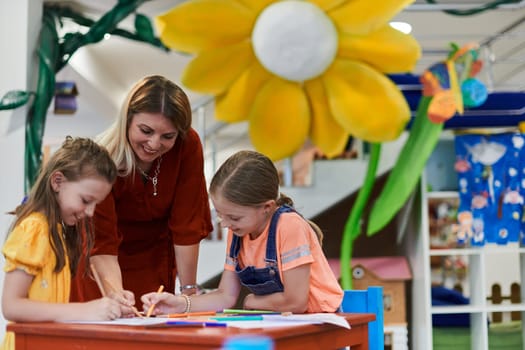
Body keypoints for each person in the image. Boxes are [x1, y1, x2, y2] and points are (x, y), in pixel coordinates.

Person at [70, 75, 213, 308]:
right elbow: (102, 243)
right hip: (102, 269)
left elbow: (187, 225)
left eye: (168, 136)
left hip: (154, 265)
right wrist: (115, 295)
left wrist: (189, 296)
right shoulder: (100, 161)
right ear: (127, 120)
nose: (155, 144)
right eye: (146, 131)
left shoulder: (187, 146)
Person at [141, 150, 343, 315]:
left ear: (266, 207)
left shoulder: (289, 225)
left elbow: (296, 302)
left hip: (321, 322)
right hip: (283, 321)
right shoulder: (238, 232)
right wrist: (179, 304)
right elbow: (225, 296)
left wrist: (252, 300)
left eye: (234, 218)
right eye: (220, 215)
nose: (225, 224)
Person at [1, 137, 123, 350]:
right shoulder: (34, 229)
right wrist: (84, 311)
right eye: (86, 200)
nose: (91, 212)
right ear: (57, 182)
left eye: (96, 204)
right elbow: (11, 306)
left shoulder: (58, 231)